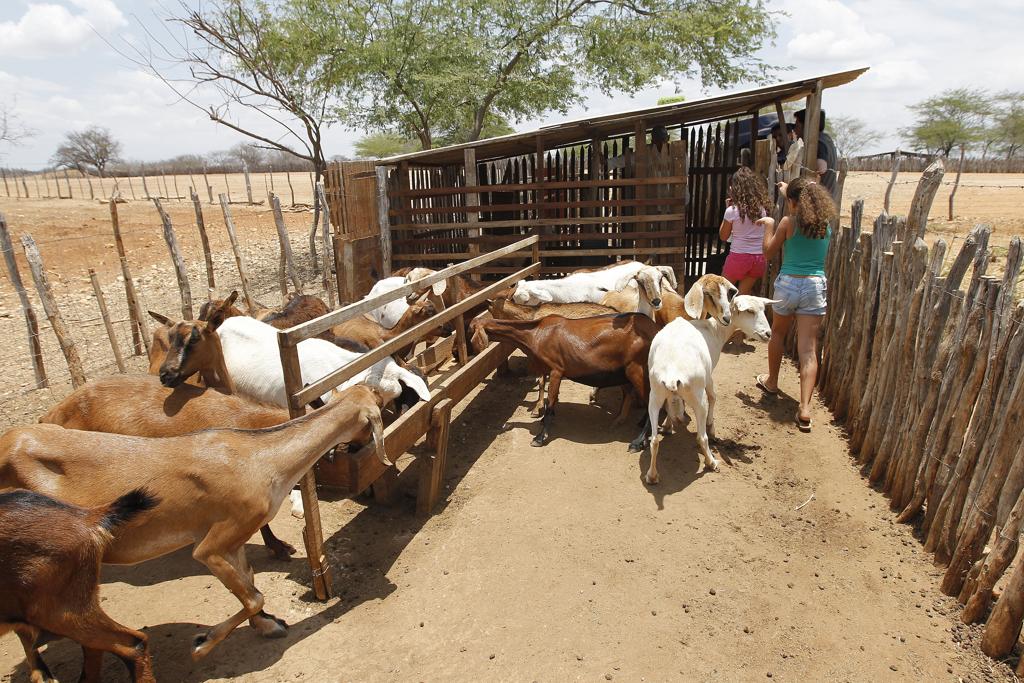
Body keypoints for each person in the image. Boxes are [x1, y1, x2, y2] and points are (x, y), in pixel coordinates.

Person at [754, 177, 837, 432]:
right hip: (814, 286)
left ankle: (772, 381)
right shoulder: (824, 225)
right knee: (808, 350)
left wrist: (769, 225)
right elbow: (802, 199)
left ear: (792, 203)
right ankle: (805, 408)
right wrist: (787, 191)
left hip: (788, 284)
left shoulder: (787, 223)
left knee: (777, 333)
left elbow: (768, 252)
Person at [719, 167, 771, 295]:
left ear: (734, 189)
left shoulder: (732, 211)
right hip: (758, 259)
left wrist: (727, 210)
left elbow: (723, 236)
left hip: (738, 258)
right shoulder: (762, 209)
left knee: (722, 294)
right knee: (742, 297)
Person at [793, 109, 838, 193]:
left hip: (820, 197)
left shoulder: (817, 142)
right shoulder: (826, 139)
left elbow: (821, 168)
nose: (795, 130)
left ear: (806, 125)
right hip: (828, 195)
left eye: (797, 126)